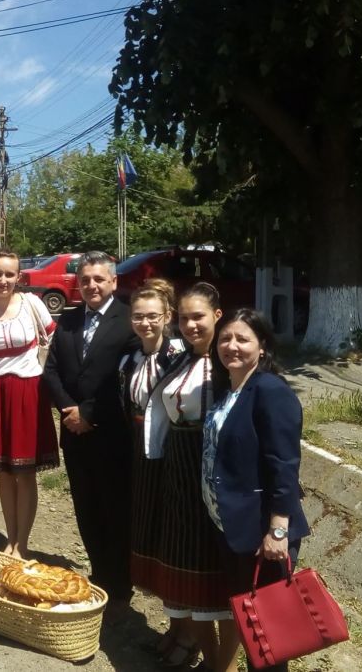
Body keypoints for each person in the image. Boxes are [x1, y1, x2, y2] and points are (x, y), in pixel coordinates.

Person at [133, 281, 232, 668]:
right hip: (176, 464)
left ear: (217, 317)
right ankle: (190, 641)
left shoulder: (227, 366)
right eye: (186, 318)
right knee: (181, 557)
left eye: (199, 317)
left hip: (208, 468)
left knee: (208, 565)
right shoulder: (181, 360)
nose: (192, 325)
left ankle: (218, 660)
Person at [204, 309, 309, 672]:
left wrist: (278, 529)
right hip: (232, 527)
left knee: (269, 637)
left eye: (242, 339)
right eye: (224, 339)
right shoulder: (230, 388)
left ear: (262, 347)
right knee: (251, 625)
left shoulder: (270, 391)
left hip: (263, 532)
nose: (231, 346)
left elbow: (284, 465)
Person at [41, 251, 137, 609]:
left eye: (99, 279)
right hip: (73, 431)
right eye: (85, 280)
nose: (92, 286)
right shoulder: (67, 320)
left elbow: (123, 381)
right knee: (86, 507)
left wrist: (89, 413)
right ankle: (99, 576)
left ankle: (120, 587)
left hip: (111, 433)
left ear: (113, 281)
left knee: (115, 510)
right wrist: (70, 409)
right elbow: (50, 369)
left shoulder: (128, 321)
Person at [0, 249, 59, 559]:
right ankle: (10, 538)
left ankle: (23, 543)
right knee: (4, 472)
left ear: (19, 277)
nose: (3, 280)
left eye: (9, 274)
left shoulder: (32, 304)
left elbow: (55, 342)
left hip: (29, 390)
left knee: (25, 472)